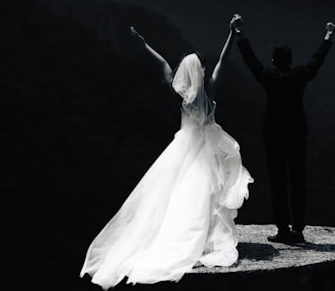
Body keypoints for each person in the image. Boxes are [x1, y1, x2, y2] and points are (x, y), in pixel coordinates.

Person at [80, 16, 253, 289]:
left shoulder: (178, 92)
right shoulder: (207, 91)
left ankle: (184, 235)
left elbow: (162, 64)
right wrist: (231, 34)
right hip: (205, 150)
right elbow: (224, 62)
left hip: (183, 146)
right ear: (200, 71)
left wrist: (144, 44)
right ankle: (204, 238)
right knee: (205, 194)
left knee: (181, 194)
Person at [233, 16, 335, 244]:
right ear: (290, 60)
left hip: (273, 136)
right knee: (298, 182)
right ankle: (298, 229)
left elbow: (250, 60)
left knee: (278, 183)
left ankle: (283, 230)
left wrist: (239, 33)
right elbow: (316, 61)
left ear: (273, 60)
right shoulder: (299, 75)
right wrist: (327, 37)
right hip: (297, 134)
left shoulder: (268, 77)